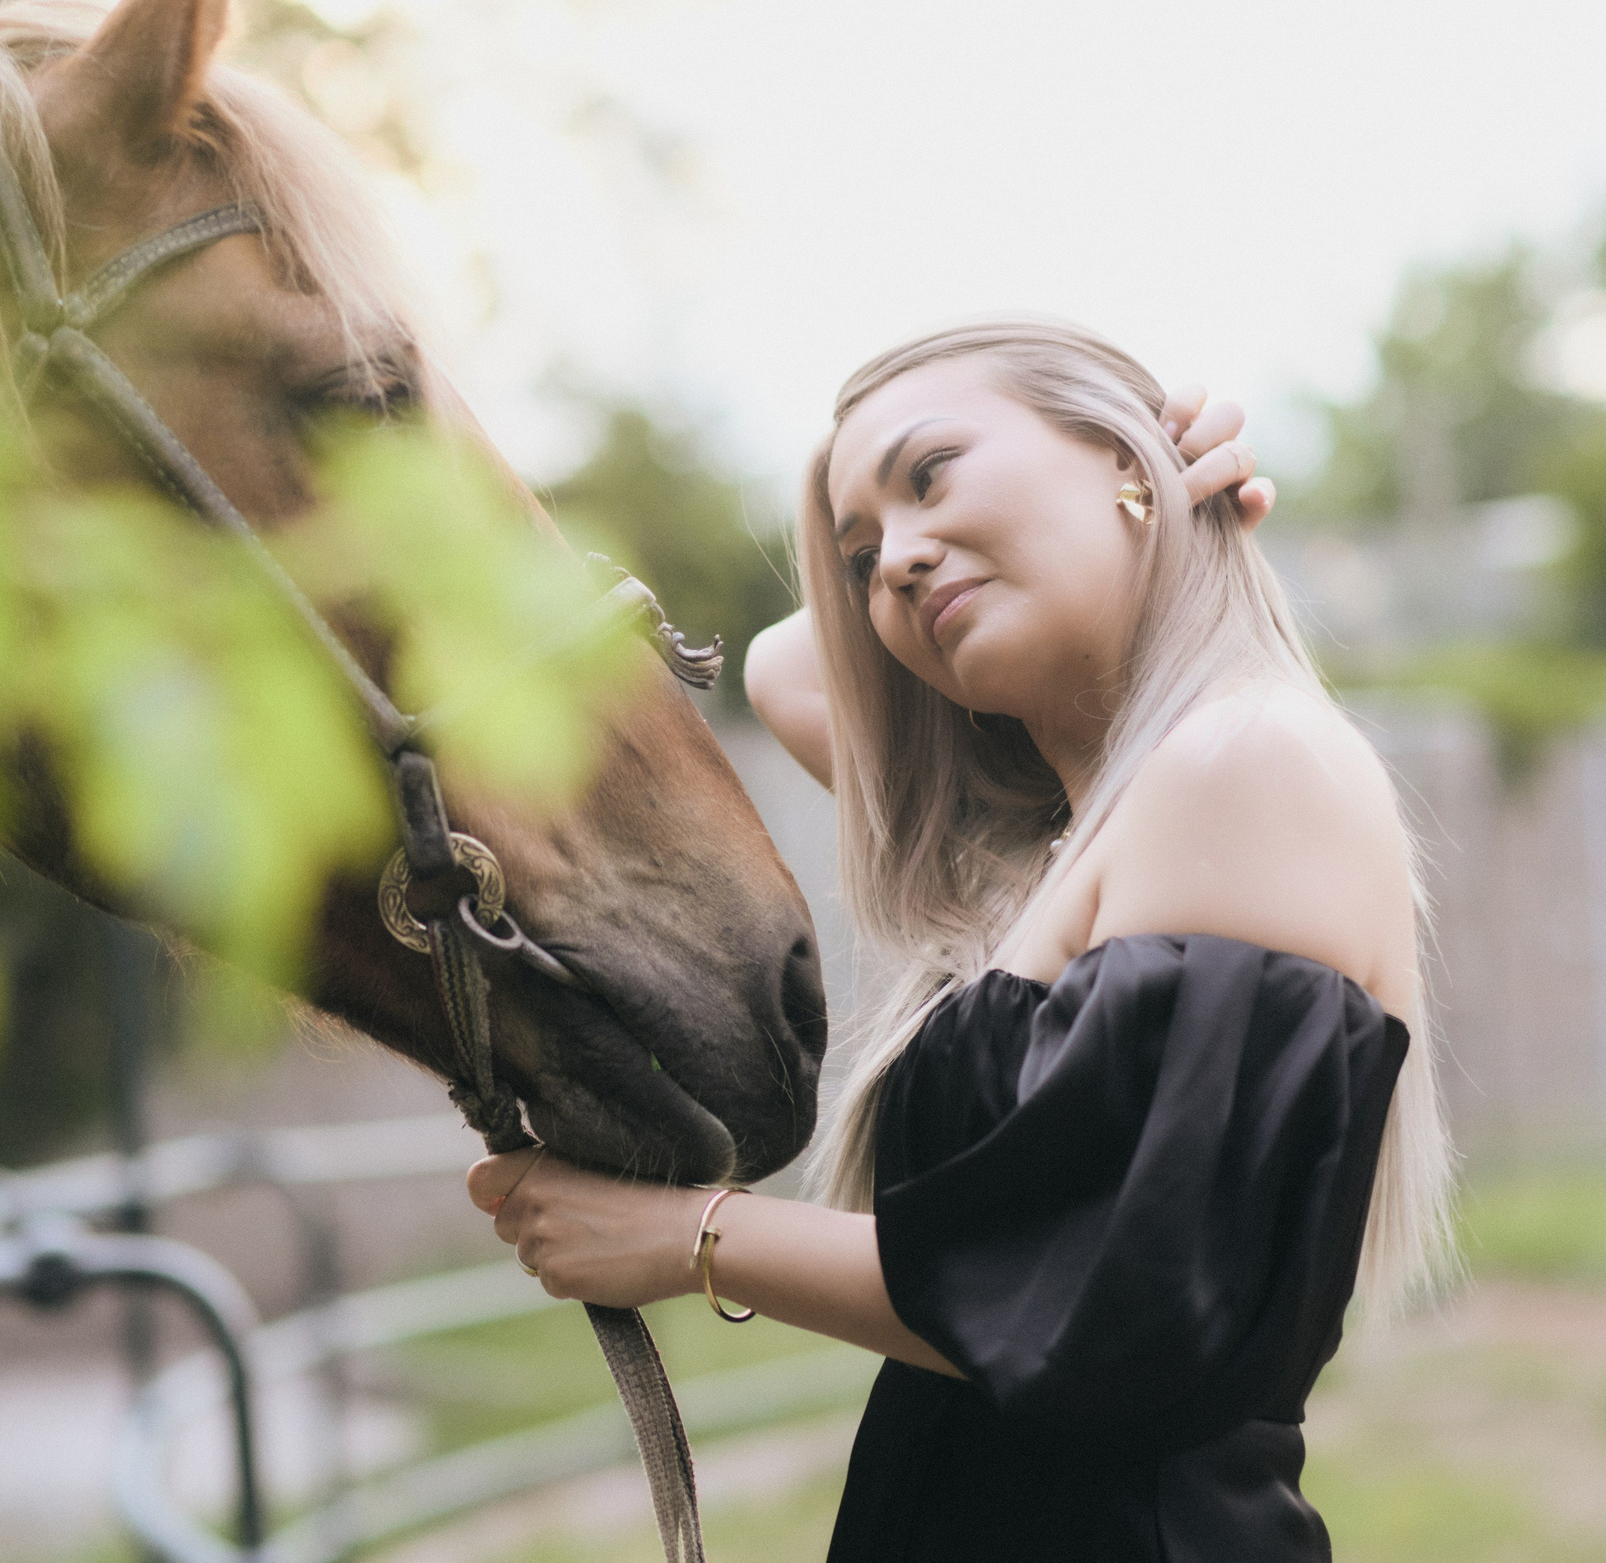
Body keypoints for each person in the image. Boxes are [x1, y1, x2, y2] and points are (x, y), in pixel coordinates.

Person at [466, 319, 1454, 1561]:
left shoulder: (1239, 764)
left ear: (1122, 453)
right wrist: (1077, 504)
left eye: (930, 472)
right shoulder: (1066, 831)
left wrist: (693, 1238)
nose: (895, 565)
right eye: (862, 549)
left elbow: (1109, 1296)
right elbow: (787, 668)